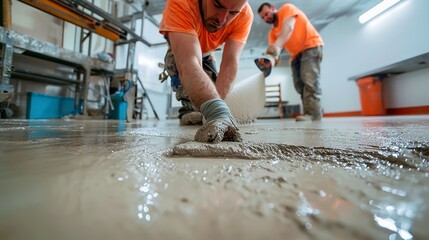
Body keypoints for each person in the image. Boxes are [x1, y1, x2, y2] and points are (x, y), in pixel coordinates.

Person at [159, 0, 253, 143]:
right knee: (191, 94)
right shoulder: (181, 2)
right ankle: (187, 110)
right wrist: (217, 112)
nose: (222, 19)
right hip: (180, 50)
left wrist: (219, 114)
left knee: (212, 91)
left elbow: (230, 62)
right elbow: (188, 62)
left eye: (233, 13)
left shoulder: (245, 14)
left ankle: (203, 111)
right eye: (218, 5)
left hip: (208, 53)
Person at [258, 2, 324, 121]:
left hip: (310, 45)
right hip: (295, 55)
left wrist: (277, 45)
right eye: (263, 17)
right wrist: (269, 61)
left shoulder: (287, 9)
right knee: (299, 85)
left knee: (310, 80)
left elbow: (289, 27)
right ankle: (308, 113)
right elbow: (274, 55)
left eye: (266, 14)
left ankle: (314, 114)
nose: (266, 18)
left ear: (273, 8)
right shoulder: (272, 33)